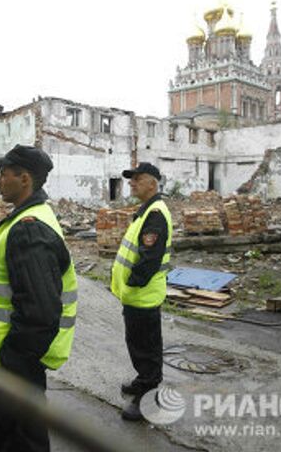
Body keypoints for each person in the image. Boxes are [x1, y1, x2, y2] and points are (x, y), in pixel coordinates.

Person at [0, 145, 78, 452]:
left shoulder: (29, 230)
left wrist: (13, 359)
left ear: (24, 179)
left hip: (19, 360)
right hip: (15, 358)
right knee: (5, 430)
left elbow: (40, 311)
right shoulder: (27, 218)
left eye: (3, 175)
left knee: (22, 437)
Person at [110, 162, 172, 421]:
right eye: (131, 179)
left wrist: (133, 282)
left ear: (153, 184)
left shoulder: (155, 214)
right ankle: (142, 379)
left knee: (146, 346)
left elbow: (149, 259)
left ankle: (147, 397)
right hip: (135, 295)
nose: (132, 182)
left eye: (138, 178)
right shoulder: (146, 210)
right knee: (137, 343)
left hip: (143, 295)